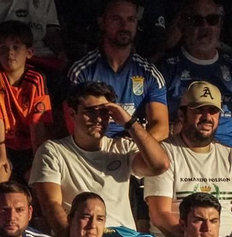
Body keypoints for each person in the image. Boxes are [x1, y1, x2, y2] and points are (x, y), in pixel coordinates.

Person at [30, 80, 169, 237]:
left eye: (104, 112)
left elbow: (160, 165)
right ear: (73, 114)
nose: (98, 119)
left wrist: (130, 123)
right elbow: (52, 206)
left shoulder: (122, 147)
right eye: (90, 112)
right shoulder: (53, 151)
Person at [146, 79, 232, 237]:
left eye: (213, 111)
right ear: (182, 115)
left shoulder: (230, 156)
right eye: (199, 110)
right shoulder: (164, 152)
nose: (207, 117)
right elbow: (160, 216)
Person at [161, 0, 232, 153]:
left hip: (230, 154)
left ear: (220, 24)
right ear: (182, 25)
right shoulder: (167, 68)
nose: (205, 27)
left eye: (212, 20)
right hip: (182, 152)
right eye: (196, 20)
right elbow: (155, 126)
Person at [66, 0, 170, 140]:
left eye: (130, 20)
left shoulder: (150, 74)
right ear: (102, 23)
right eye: (117, 19)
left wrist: (136, 145)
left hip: (134, 149)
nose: (124, 26)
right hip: (94, 149)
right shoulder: (81, 72)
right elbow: (73, 124)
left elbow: (161, 127)